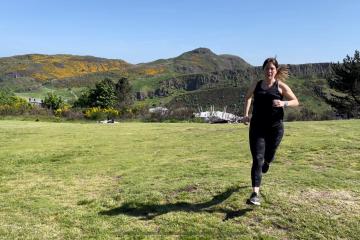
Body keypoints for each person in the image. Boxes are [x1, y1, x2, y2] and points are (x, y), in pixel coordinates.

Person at [243, 57, 299, 205]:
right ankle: (255, 194)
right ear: (263, 70)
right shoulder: (257, 85)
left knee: (268, 156)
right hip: (257, 127)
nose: (269, 71)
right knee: (257, 159)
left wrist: (283, 102)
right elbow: (248, 97)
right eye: (267, 68)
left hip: (275, 128)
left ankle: (268, 161)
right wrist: (246, 114)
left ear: (276, 71)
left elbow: (295, 101)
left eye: (272, 68)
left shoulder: (280, 86)